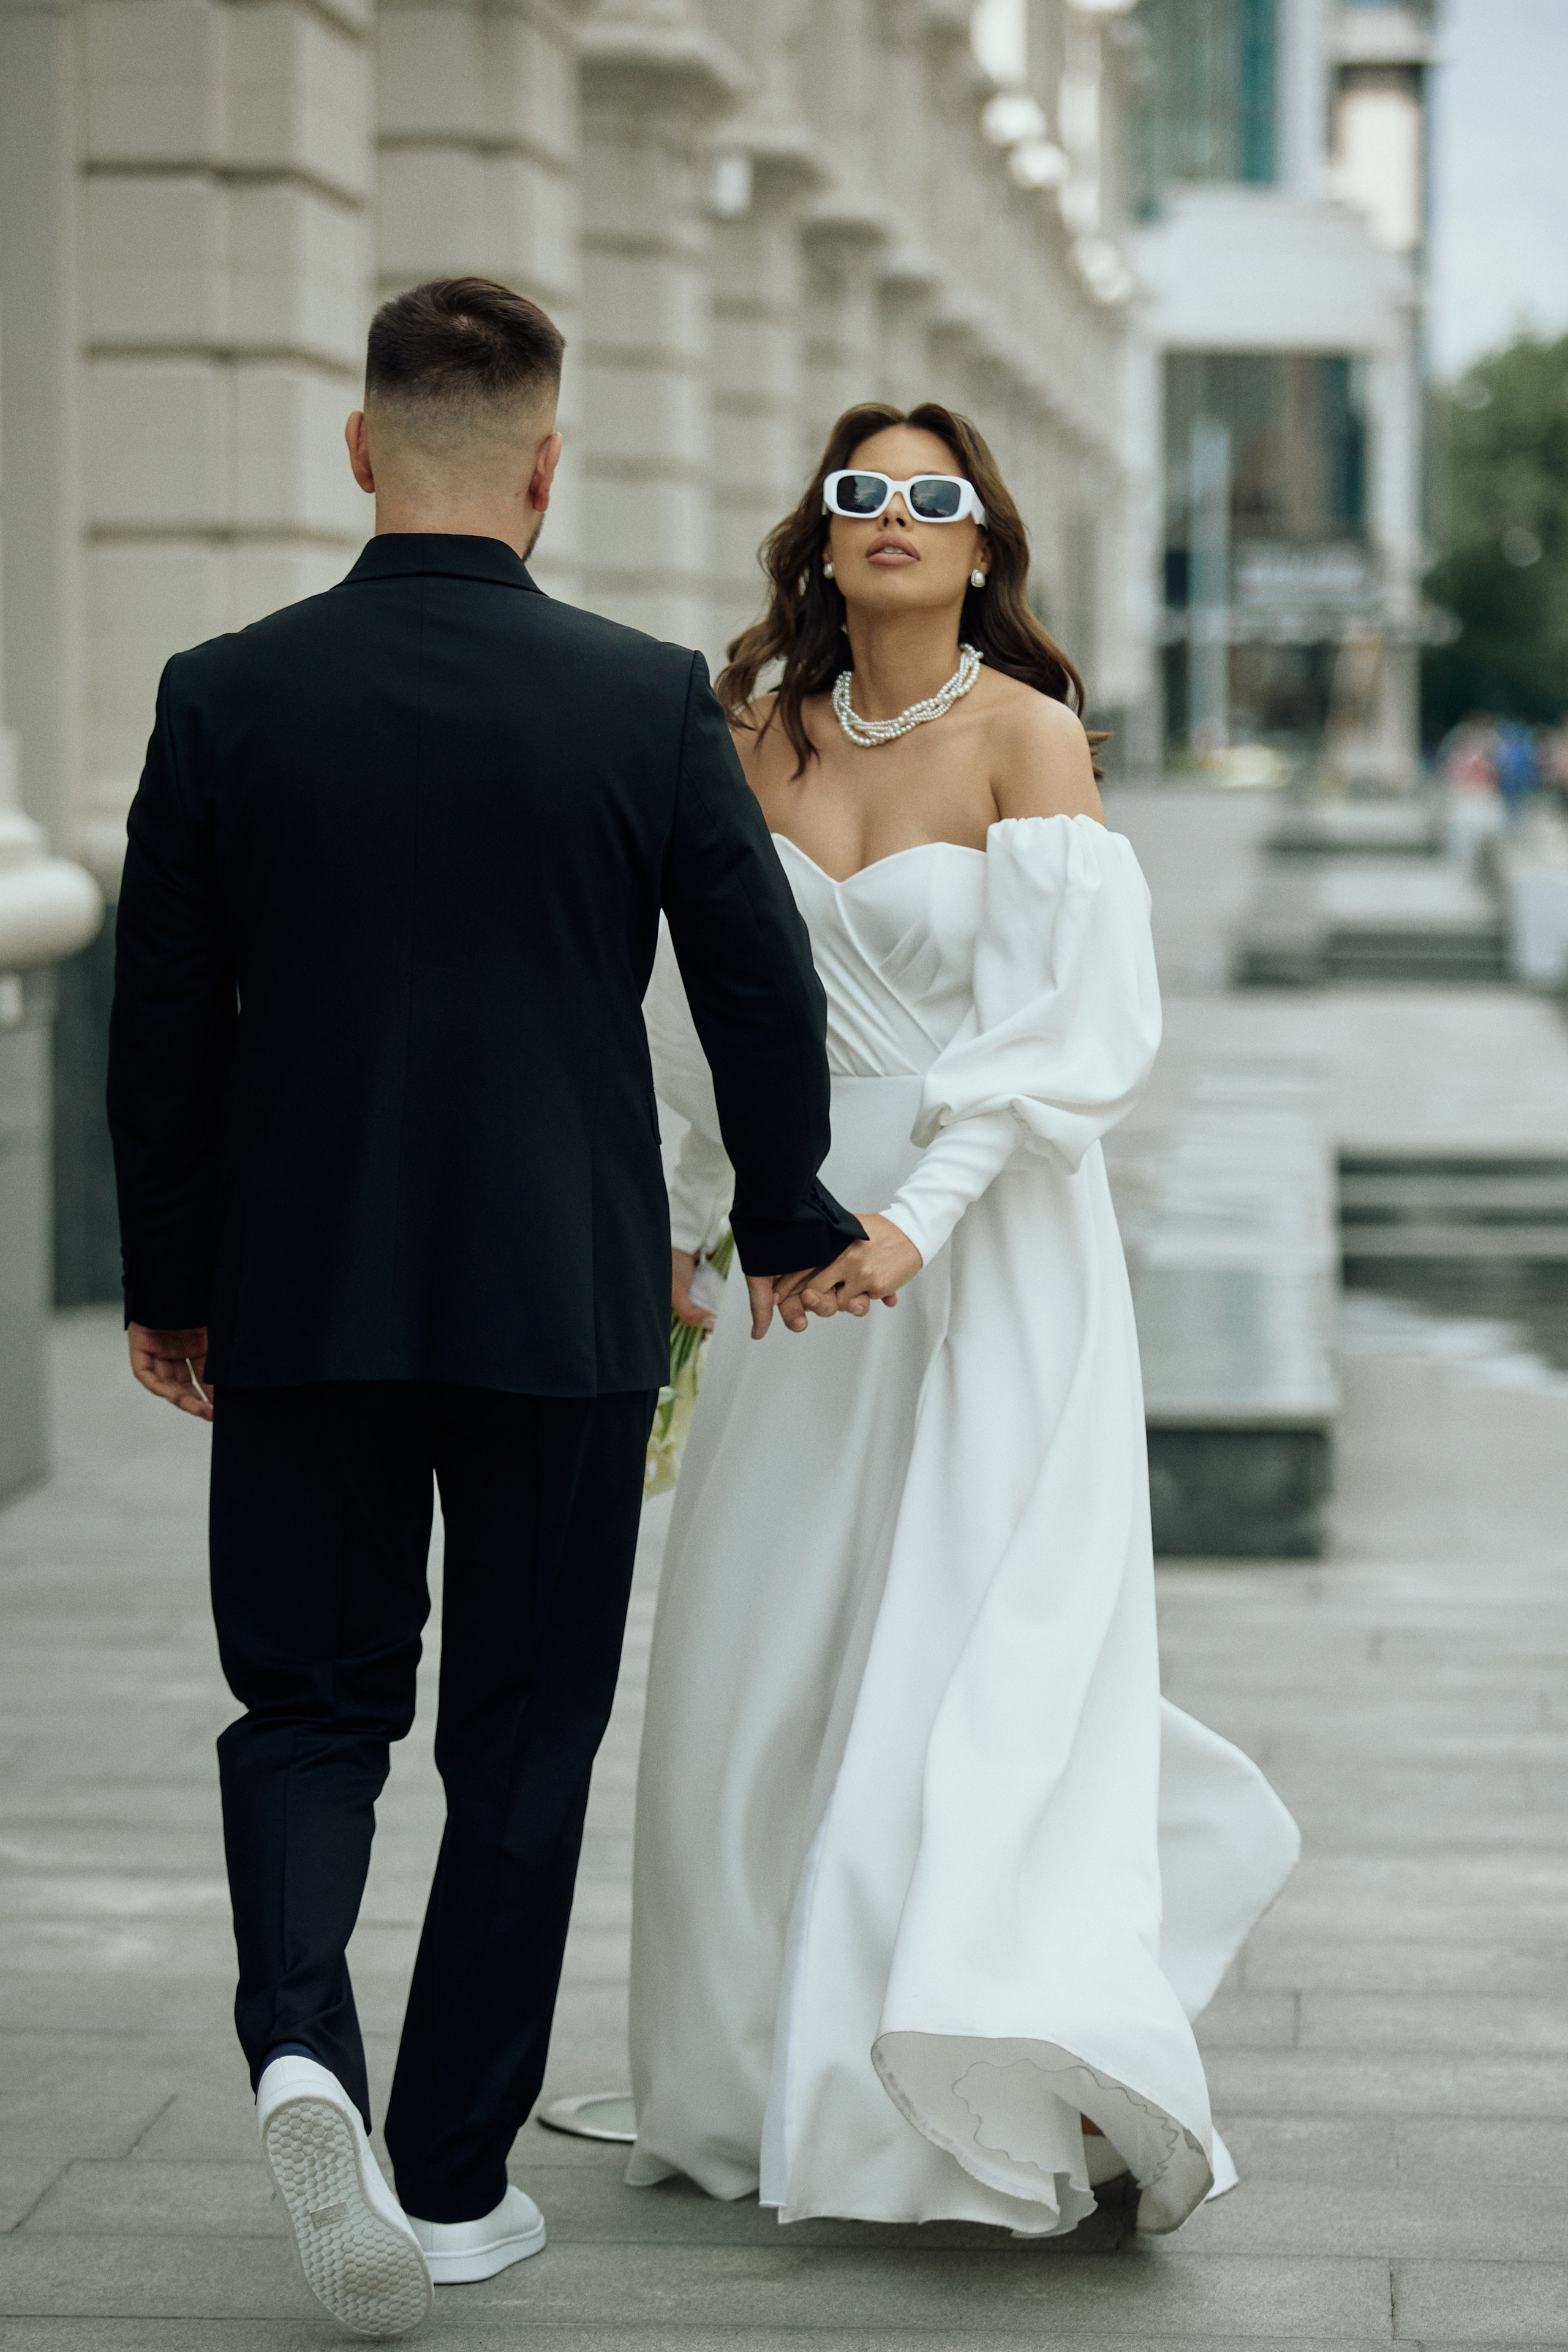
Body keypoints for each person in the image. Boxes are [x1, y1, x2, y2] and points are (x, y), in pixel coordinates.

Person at [106, 276, 861, 2338]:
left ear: (360, 447)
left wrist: (170, 1282)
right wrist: (786, 1213)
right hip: (560, 1294)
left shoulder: (224, 694)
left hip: (304, 1289)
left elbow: (161, 1029)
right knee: (523, 1739)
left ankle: (298, 2047)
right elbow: (758, 988)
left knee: (309, 1705)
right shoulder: (639, 700)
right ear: (549, 466)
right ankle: (447, 2185)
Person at [630, 402, 1301, 2237]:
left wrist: (917, 1223)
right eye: (864, 491)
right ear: (824, 530)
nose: (897, 516)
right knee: (749, 1658)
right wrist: (686, 1226)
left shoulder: (1029, 734)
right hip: (787, 1251)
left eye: (935, 495)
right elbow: (697, 1013)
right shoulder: (755, 732)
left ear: (983, 541)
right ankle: (740, 2081)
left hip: (987, 1242)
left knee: (955, 1657)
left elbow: (1069, 1035)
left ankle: (928, 2090)